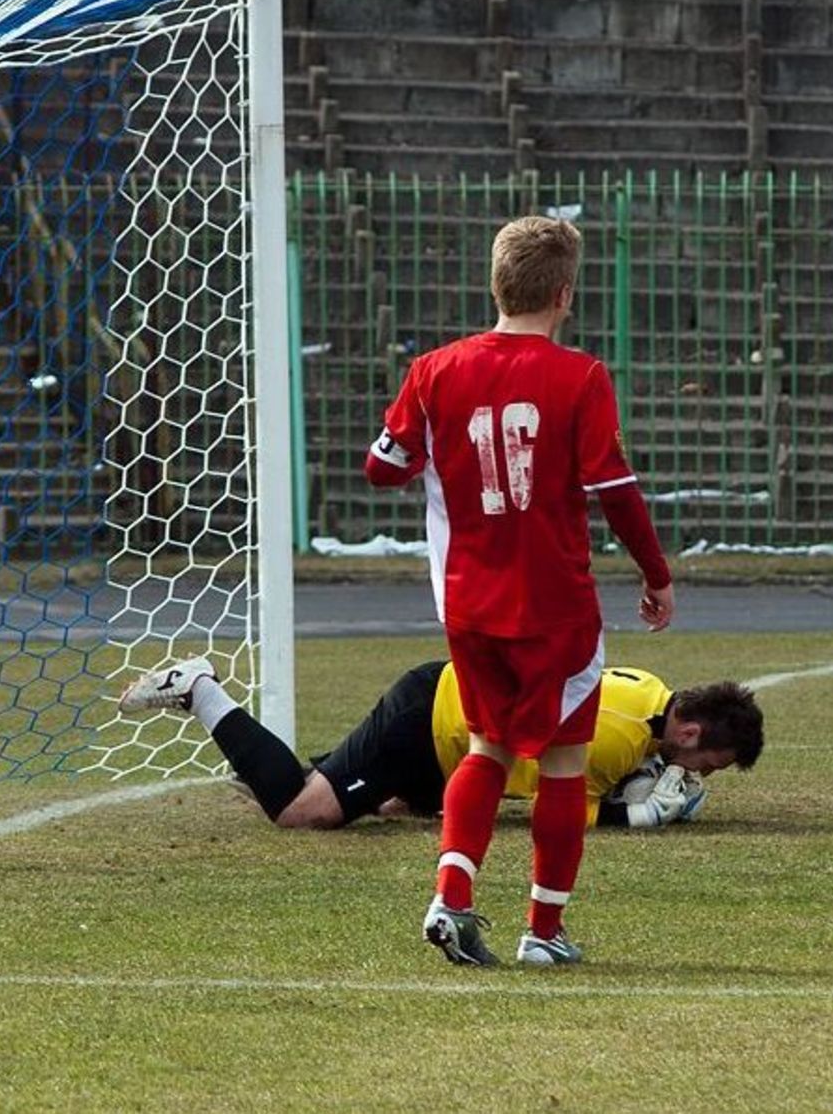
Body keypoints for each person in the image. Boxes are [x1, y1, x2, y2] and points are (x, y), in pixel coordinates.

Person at [363, 215, 676, 967]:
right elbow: (616, 489)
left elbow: (383, 465)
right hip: (554, 604)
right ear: (563, 295)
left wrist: (428, 463)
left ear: (494, 284)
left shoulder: (434, 370)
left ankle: (453, 896)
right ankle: (543, 929)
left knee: (486, 747)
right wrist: (655, 574)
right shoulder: (580, 377)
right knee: (563, 763)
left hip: (469, 600)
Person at [116, 657, 762, 830]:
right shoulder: (620, 736)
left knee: (403, 809)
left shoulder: (651, 692)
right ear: (690, 730)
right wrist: (641, 813)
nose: (705, 773)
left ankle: (302, 768)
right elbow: (556, 809)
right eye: (711, 762)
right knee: (302, 811)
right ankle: (199, 687)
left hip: (454, 728)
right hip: (432, 724)